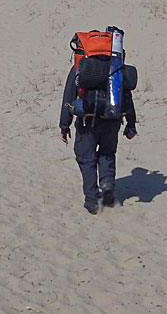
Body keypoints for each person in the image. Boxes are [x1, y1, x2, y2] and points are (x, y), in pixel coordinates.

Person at [59, 56, 138, 215]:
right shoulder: (115, 65)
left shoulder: (80, 66)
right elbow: (126, 95)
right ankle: (107, 184)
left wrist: (64, 125)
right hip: (112, 119)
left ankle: (92, 201)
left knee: (86, 158)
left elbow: (69, 96)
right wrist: (131, 123)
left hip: (87, 121)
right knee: (107, 153)